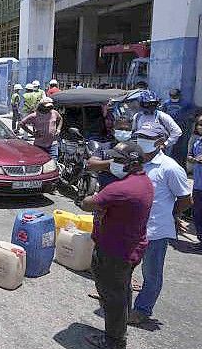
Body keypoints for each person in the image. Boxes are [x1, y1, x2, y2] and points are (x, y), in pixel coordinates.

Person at [78, 141, 153, 349]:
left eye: (118, 160)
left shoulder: (121, 189)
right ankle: (118, 331)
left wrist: (95, 201)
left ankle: (113, 341)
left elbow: (86, 203)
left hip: (114, 252)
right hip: (130, 247)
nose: (112, 163)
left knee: (112, 297)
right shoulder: (143, 181)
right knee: (121, 292)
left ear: (131, 163)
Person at [129, 128, 192, 325]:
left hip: (155, 231)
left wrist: (171, 214)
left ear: (161, 142)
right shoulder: (135, 162)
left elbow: (185, 199)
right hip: (130, 228)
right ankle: (118, 299)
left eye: (148, 138)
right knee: (122, 268)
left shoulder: (170, 168)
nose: (143, 141)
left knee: (151, 273)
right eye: (140, 137)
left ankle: (142, 310)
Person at [87, 117, 134, 190]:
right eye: (120, 129)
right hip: (105, 191)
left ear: (131, 132)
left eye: (127, 130)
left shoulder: (136, 149)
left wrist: (103, 166)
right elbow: (91, 165)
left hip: (127, 192)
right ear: (113, 130)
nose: (124, 132)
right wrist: (112, 163)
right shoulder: (104, 146)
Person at [131, 90, 182, 156]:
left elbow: (177, 132)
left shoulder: (162, 116)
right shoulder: (137, 116)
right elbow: (133, 132)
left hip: (159, 151)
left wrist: (165, 144)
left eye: (153, 104)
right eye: (147, 104)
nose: (151, 107)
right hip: (141, 150)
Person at [188, 115, 202, 248]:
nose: (200, 127)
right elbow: (190, 157)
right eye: (199, 124)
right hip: (198, 184)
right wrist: (194, 159)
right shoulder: (197, 142)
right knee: (197, 212)